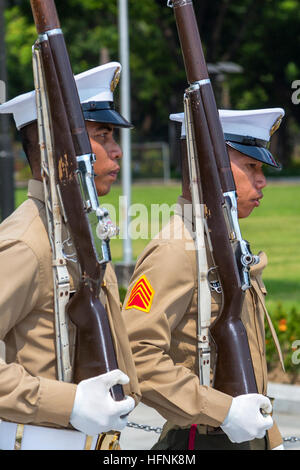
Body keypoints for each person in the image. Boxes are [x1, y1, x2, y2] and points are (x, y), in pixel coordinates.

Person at [122, 108, 285, 450]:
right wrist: (223, 411)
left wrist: (272, 439)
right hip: (200, 440)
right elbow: (138, 354)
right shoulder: (176, 250)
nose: (262, 181)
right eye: (251, 166)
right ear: (213, 169)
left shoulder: (225, 243)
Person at [0, 62, 140, 450]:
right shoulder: (28, 242)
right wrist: (70, 402)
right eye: (103, 136)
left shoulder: (79, 233)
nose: (117, 152)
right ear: (57, 149)